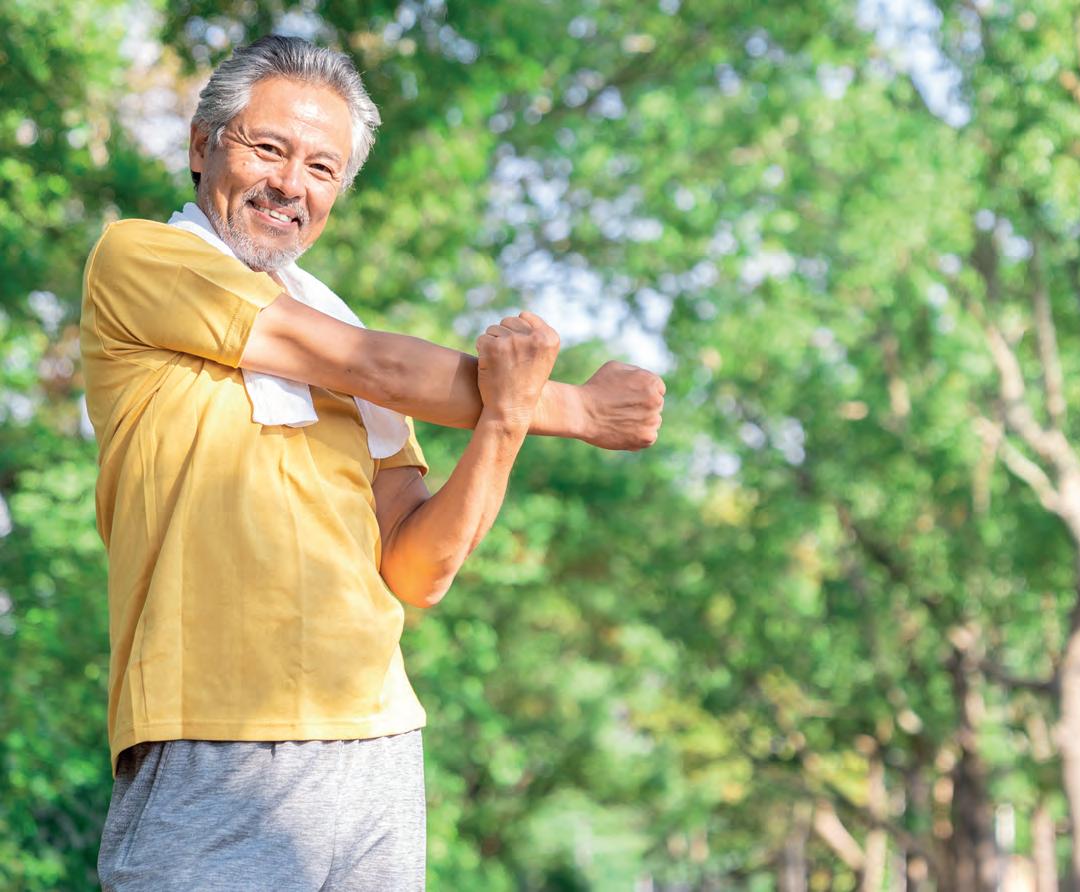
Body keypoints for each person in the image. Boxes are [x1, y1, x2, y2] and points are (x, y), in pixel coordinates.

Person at [85, 34, 664, 891]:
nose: (292, 184)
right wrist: (577, 409)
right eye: (268, 148)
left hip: (377, 744)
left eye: (322, 167)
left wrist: (507, 420)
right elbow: (370, 365)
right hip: (214, 736)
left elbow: (419, 570)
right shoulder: (141, 257)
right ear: (203, 147)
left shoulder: (341, 324)